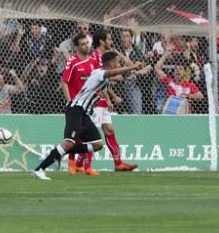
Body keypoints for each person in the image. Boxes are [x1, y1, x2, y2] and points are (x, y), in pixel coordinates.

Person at [32, 51, 145, 180]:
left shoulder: (102, 77)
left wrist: (137, 70)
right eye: (118, 62)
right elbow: (112, 74)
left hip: (84, 113)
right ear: (113, 63)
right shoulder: (100, 73)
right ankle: (39, 169)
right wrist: (133, 67)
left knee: (97, 145)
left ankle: (60, 152)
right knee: (68, 143)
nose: (118, 64)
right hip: (75, 109)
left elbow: (113, 80)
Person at [88, 29, 139, 173]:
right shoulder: (95, 58)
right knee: (91, 134)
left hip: (102, 99)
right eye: (109, 39)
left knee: (109, 130)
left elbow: (103, 81)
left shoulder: (103, 57)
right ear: (102, 42)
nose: (111, 42)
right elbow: (95, 81)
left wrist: (110, 97)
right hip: (94, 100)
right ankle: (81, 164)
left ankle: (118, 163)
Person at [61, 32, 97, 175]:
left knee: (90, 137)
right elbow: (64, 81)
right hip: (75, 106)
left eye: (87, 43)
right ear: (77, 47)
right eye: (83, 44)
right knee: (73, 136)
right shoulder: (73, 62)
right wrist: (69, 100)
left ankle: (87, 167)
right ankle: (71, 163)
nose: (86, 46)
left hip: (89, 105)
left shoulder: (93, 62)